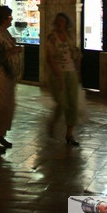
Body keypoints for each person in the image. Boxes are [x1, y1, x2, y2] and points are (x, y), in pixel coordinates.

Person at [0, 5, 23, 154]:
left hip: (8, 74)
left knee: (8, 105)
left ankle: (0, 134)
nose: (11, 19)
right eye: (9, 16)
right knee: (0, 106)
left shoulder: (4, 32)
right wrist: (13, 50)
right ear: (3, 18)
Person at [46, 12, 82, 146]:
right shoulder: (52, 38)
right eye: (58, 21)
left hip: (70, 71)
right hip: (58, 73)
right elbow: (49, 58)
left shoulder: (69, 37)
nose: (61, 23)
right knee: (62, 103)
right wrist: (58, 75)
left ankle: (69, 134)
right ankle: (53, 122)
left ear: (66, 23)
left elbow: (75, 53)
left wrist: (77, 70)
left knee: (73, 104)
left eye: (63, 21)